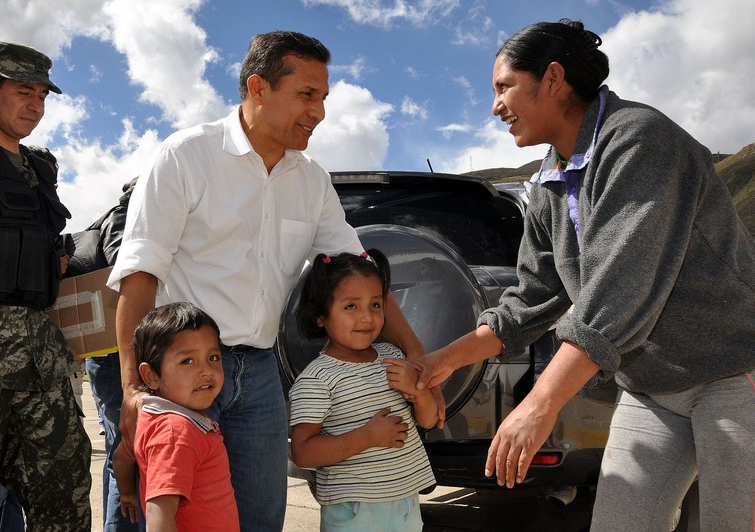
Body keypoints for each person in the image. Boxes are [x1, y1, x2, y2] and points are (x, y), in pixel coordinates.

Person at [414, 19, 755, 531]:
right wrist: (442, 361)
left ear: (552, 79)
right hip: (651, 387)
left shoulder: (639, 140)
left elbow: (620, 291)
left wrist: (540, 404)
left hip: (734, 371)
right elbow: (530, 300)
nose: (495, 106)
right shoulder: (548, 182)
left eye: (503, 87)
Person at [107, 30, 428, 531]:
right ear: (258, 87)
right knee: (153, 510)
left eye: (323, 98)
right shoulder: (184, 156)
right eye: (306, 95)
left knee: (259, 518)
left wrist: (415, 352)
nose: (319, 112)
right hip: (177, 374)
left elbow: (360, 272)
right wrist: (132, 388)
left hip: (259, 376)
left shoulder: (312, 180)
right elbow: (140, 273)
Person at [0, 41, 91, 530]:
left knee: (67, 497)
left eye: (42, 95)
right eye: (22, 92)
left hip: (40, 359)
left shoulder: (40, 167)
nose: (35, 105)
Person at [290, 250, 437, 531]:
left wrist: (418, 392)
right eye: (351, 307)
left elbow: (428, 420)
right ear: (320, 315)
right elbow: (303, 453)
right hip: (355, 510)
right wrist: (367, 436)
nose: (367, 317)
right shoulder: (317, 379)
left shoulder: (393, 358)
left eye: (375, 305)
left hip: (405, 501)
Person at [112, 302, 239, 531]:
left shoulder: (154, 418)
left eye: (213, 357)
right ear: (151, 376)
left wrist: (128, 493)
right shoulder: (176, 433)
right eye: (187, 361)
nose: (206, 370)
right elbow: (158, 513)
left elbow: (121, 457)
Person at [64, 176, 141, 532]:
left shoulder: (105, 220)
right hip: (116, 354)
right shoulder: (124, 219)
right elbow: (126, 274)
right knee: (127, 452)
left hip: (106, 353)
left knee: (118, 451)